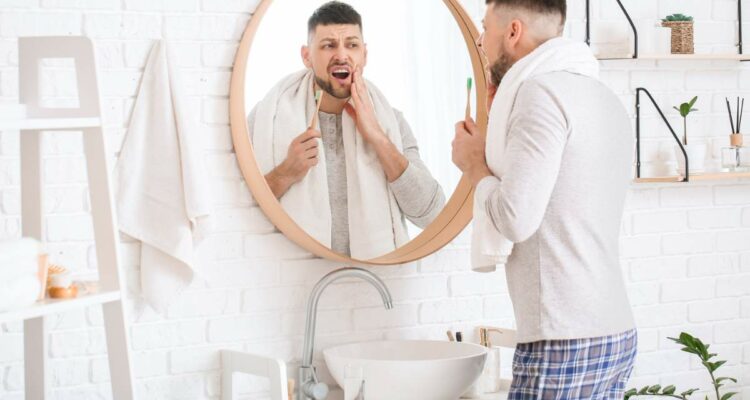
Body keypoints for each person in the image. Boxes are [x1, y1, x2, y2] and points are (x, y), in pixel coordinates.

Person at [451, 0, 637, 398]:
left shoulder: (540, 94)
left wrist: (474, 166)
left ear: (513, 31)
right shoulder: (600, 95)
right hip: (615, 332)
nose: (481, 42)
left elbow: (517, 219)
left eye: (486, 28)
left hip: (562, 337)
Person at [248, 1, 444, 259]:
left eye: (351, 44)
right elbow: (238, 216)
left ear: (364, 54)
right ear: (307, 56)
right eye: (328, 45)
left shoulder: (390, 122)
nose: (341, 55)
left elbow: (432, 215)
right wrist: (286, 172)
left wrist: (376, 137)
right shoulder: (266, 118)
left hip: (375, 278)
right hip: (294, 281)